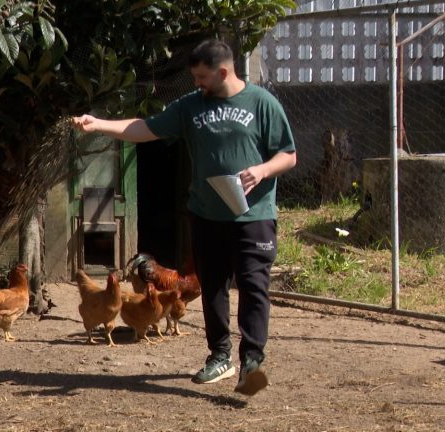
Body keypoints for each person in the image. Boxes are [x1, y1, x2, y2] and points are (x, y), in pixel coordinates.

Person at [72, 39, 297, 396]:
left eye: (202, 77)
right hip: (207, 214)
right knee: (212, 289)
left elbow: (288, 155)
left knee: (254, 288)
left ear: (224, 71)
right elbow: (144, 128)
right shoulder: (191, 107)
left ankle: (252, 361)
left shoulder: (262, 103)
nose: (197, 83)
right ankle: (220, 356)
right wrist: (99, 124)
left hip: (254, 216)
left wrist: (263, 170)